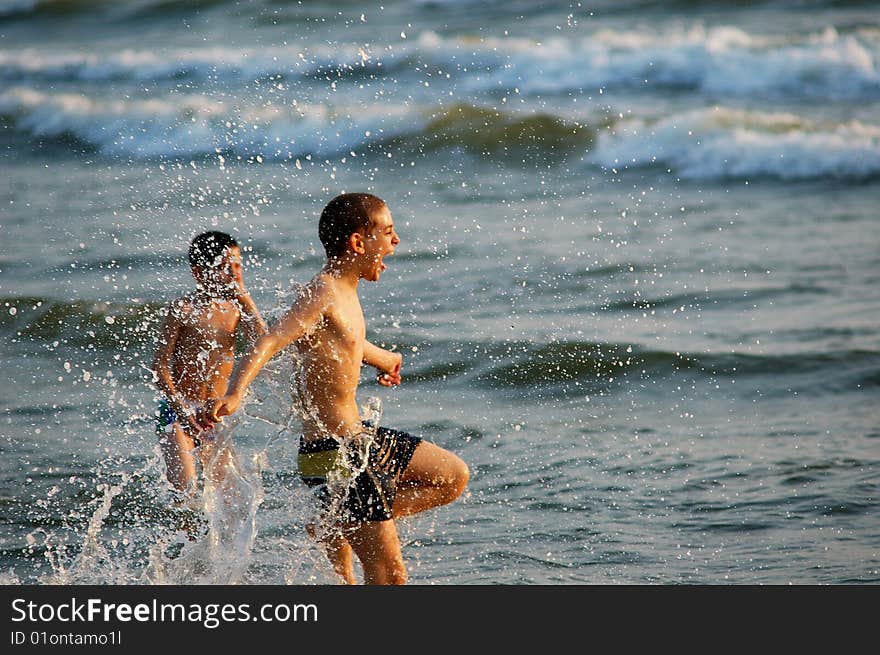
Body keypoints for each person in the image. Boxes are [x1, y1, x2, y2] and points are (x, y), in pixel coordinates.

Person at [200, 193, 469, 585]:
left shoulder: (346, 290)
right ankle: (343, 519)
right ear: (358, 242)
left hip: (359, 441)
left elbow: (345, 344)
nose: (396, 243)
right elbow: (272, 340)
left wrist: (385, 359)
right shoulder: (321, 292)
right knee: (389, 577)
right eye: (388, 233)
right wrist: (236, 392)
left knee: (451, 476)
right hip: (334, 456)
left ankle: (339, 520)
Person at [152, 230, 267, 497]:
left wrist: (247, 301)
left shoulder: (235, 310)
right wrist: (182, 412)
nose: (235, 273)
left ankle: (214, 541)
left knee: (225, 497)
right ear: (200, 273)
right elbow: (159, 368)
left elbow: (262, 346)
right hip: (177, 413)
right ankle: (185, 536)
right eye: (226, 267)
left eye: (238, 266)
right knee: (187, 493)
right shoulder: (182, 309)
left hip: (214, 415)